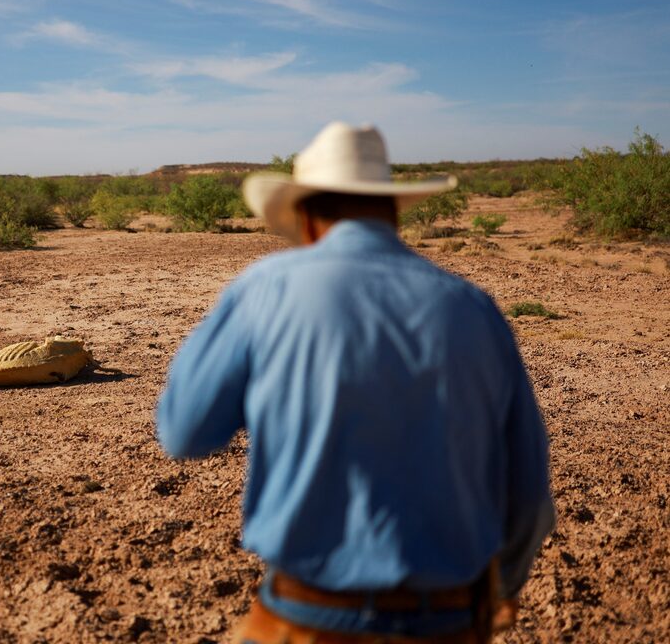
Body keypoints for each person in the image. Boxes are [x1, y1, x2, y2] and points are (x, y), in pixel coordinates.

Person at [156, 122, 555, 644]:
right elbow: (527, 494)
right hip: (450, 619)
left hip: (305, 619)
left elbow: (184, 431)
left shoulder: (265, 288)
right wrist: (502, 587)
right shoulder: (472, 307)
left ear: (306, 217)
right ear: (392, 212)